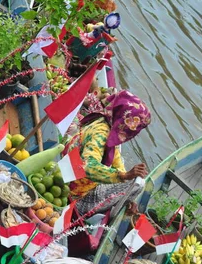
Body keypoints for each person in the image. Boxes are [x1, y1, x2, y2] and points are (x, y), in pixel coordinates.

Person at [63, 89, 151, 217]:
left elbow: (117, 162)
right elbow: (88, 166)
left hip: (75, 181)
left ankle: (126, 201)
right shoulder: (101, 133)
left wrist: (128, 197)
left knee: (133, 184)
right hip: (72, 192)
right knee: (139, 185)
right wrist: (124, 176)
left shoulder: (105, 122)